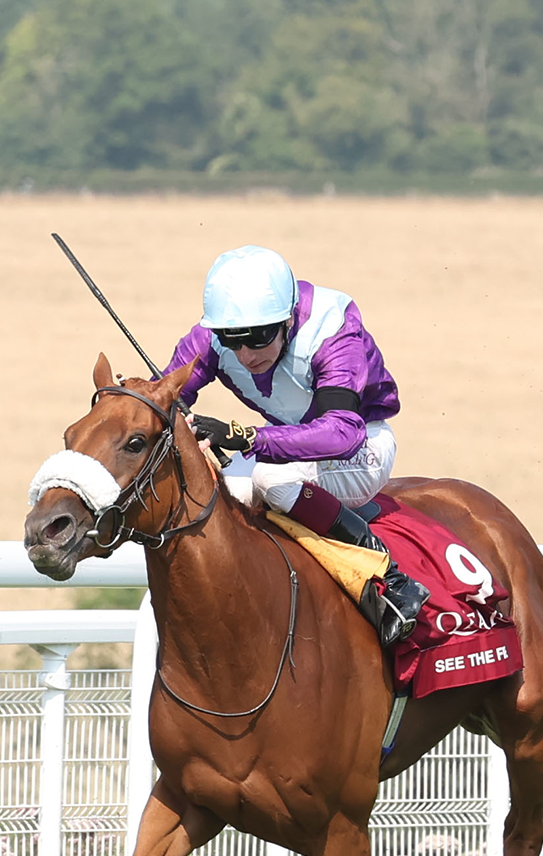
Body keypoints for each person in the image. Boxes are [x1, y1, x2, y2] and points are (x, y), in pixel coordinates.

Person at [163, 244, 429, 647]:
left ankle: (390, 583)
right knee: (216, 493)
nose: (245, 355)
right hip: (290, 450)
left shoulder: (335, 332)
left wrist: (244, 436)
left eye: (257, 340)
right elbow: (166, 393)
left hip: (362, 449)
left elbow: (342, 434)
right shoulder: (216, 335)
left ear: (287, 318)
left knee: (270, 480)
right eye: (231, 342)